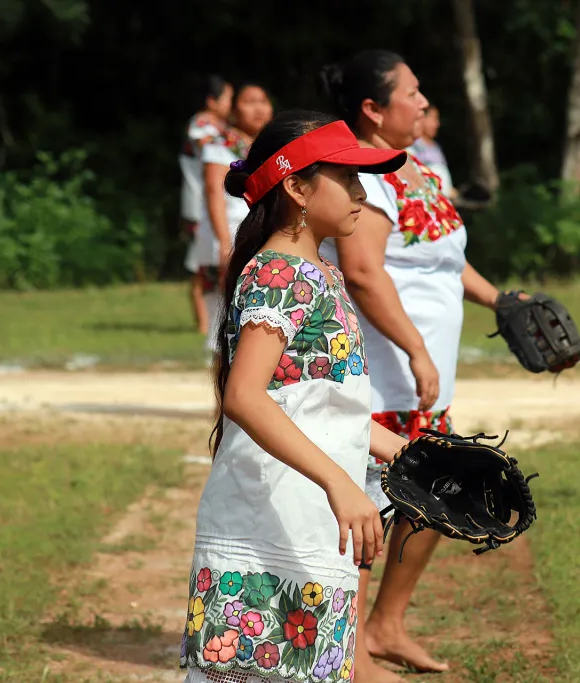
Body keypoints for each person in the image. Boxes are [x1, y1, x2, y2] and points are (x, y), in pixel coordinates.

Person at [179, 110, 411, 683]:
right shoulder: (278, 273)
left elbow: (321, 401)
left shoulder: (318, 271)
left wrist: (410, 454)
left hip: (310, 518)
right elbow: (246, 396)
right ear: (296, 186)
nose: (362, 193)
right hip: (274, 518)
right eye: (349, 179)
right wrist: (339, 482)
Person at [317, 50, 524, 681]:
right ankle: (347, 654)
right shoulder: (365, 177)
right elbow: (362, 270)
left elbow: (442, 256)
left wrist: (504, 301)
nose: (424, 102)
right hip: (382, 376)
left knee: (432, 494)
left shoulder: (416, 170)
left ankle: (386, 628)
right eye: (412, 92)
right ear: (372, 109)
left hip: (424, 381)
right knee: (368, 509)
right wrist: (413, 347)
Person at [188, 82, 273, 359]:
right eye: (249, 101)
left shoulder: (270, 147)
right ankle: (224, 397)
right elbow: (214, 191)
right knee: (225, 319)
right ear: (235, 110)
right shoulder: (221, 144)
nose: (258, 107)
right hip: (230, 234)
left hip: (261, 237)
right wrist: (224, 243)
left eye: (263, 100)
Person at [179, 75, 233, 334]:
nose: (229, 105)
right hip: (200, 207)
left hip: (210, 206)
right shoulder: (202, 126)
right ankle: (204, 324)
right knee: (203, 267)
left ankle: (211, 322)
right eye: (227, 99)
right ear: (212, 101)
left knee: (210, 267)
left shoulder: (216, 128)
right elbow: (207, 147)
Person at [407, 104, 457, 200]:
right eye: (434, 119)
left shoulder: (435, 147)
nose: (437, 124)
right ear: (422, 119)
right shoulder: (412, 147)